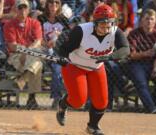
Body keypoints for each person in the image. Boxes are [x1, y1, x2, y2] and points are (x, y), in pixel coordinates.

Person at [55, 4, 130, 134]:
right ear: (94, 23)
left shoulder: (115, 31)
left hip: (96, 67)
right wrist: (62, 58)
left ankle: (92, 126)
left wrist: (111, 56)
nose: (106, 27)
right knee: (78, 101)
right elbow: (63, 49)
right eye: (102, 24)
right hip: (75, 66)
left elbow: (125, 49)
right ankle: (63, 104)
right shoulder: (81, 31)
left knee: (102, 102)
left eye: (109, 23)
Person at [127, 9, 156, 113]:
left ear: (155, 21)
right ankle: (152, 109)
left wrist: (155, 69)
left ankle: (152, 104)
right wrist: (145, 53)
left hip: (154, 63)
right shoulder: (133, 34)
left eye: (152, 19)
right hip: (137, 64)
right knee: (141, 83)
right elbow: (131, 55)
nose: (149, 21)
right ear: (141, 20)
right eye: (147, 19)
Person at [3, 0, 43, 109]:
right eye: (20, 8)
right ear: (15, 9)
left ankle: (22, 80)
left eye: (25, 8)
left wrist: (27, 51)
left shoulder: (35, 23)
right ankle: (31, 99)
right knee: (38, 63)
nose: (22, 10)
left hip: (31, 54)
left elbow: (38, 41)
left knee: (37, 59)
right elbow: (12, 46)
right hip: (15, 56)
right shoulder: (9, 25)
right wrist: (25, 51)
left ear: (29, 10)